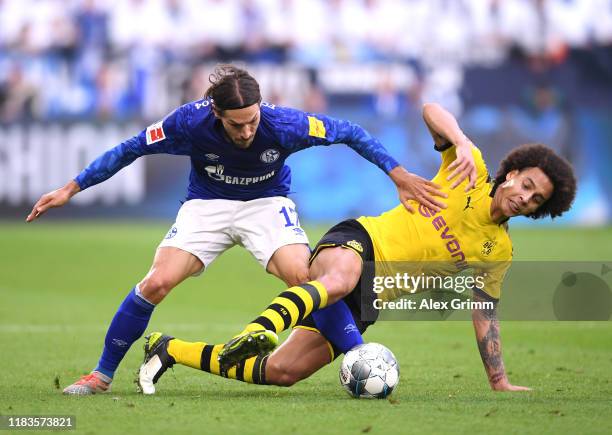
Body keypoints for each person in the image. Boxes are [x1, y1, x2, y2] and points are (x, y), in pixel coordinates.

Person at [26, 65, 458, 395]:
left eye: (252, 120)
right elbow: (129, 149)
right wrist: (71, 187)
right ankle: (101, 375)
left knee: (306, 278)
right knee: (155, 283)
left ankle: (356, 357)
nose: (248, 131)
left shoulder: (284, 125)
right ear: (216, 113)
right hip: (207, 207)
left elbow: (349, 131)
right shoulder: (187, 124)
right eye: (237, 124)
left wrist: (397, 173)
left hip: (266, 206)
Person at [138, 102, 576, 394]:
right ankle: (259, 328)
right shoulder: (470, 170)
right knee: (340, 278)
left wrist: (498, 380)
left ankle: (169, 349)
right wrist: (461, 140)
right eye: (528, 184)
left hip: (372, 299)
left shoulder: (497, 250)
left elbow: (485, 311)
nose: (525, 197)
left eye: (537, 200)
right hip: (360, 242)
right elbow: (430, 110)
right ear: (513, 172)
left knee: (283, 373)